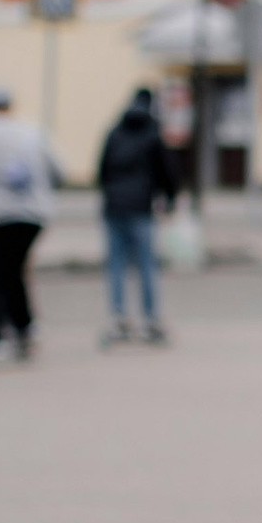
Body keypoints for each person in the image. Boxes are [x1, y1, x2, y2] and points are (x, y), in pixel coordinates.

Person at [0, 88, 60, 365]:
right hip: (33, 213)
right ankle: (25, 326)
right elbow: (59, 170)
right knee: (15, 269)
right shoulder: (33, 132)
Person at [95, 85, 173, 346]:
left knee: (116, 265)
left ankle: (119, 317)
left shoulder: (115, 132)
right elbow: (167, 170)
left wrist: (109, 194)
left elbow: (102, 169)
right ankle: (150, 319)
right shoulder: (152, 133)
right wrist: (169, 198)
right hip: (141, 207)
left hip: (114, 207)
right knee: (146, 265)